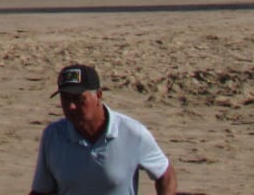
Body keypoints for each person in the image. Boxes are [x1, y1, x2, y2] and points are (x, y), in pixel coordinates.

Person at [30, 63, 177, 195]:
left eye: (78, 99)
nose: (71, 106)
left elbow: (166, 176)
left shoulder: (132, 133)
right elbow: (42, 191)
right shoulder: (53, 136)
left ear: (98, 95)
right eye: (65, 99)